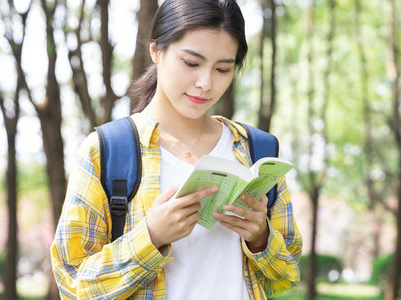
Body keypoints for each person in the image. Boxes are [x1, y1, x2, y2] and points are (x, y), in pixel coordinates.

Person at [51, 0, 302, 299]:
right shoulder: (107, 150)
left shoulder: (256, 150)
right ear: (156, 51)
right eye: (192, 63)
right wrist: (152, 236)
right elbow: (73, 285)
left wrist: (260, 238)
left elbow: (286, 277)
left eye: (223, 69)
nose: (205, 83)